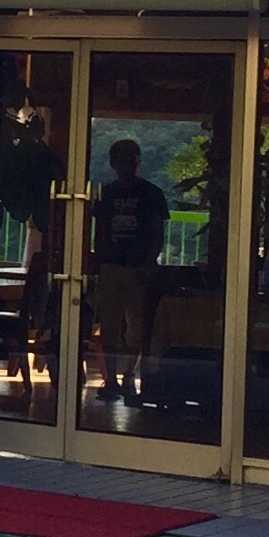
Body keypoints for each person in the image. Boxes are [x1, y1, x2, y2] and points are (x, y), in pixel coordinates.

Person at [87, 138, 170, 403]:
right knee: (110, 326)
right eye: (123, 159)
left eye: (131, 158)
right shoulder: (108, 194)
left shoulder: (151, 194)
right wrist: (99, 264)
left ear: (137, 160)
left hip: (137, 269)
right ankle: (114, 379)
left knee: (137, 327)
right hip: (112, 267)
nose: (127, 164)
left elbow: (157, 234)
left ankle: (126, 376)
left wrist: (148, 264)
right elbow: (100, 233)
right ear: (114, 163)